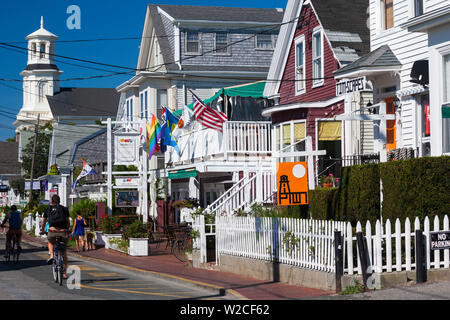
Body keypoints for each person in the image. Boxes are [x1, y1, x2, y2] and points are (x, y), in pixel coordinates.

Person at [41, 195, 70, 279]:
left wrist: (42, 230)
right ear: (59, 200)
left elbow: (43, 222)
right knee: (64, 252)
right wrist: (67, 229)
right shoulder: (64, 209)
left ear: (51, 201)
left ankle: (51, 256)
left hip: (52, 231)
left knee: (50, 242)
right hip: (63, 232)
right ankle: (64, 273)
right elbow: (68, 221)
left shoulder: (48, 209)